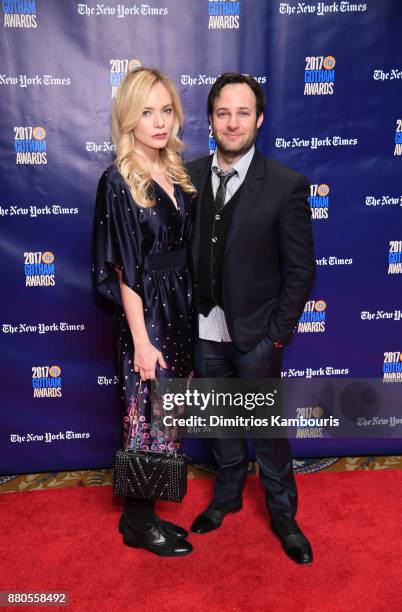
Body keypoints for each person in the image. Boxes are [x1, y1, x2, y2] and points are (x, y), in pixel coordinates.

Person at [187, 73, 316, 564]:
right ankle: (226, 496)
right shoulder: (189, 176)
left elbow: (301, 269)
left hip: (257, 334)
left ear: (259, 119)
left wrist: (275, 335)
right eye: (223, 113)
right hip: (204, 330)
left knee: (266, 429)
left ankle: (283, 513)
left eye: (243, 113)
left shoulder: (286, 185)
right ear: (211, 120)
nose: (233, 122)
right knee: (221, 420)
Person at [93, 67, 196, 557]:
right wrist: (141, 340)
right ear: (128, 119)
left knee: (167, 414)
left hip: (180, 305)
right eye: (146, 112)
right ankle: (137, 524)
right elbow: (123, 269)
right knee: (146, 416)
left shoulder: (175, 170)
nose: (158, 121)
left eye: (165, 110)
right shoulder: (117, 180)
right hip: (148, 309)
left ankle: (148, 513)